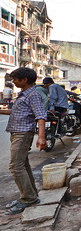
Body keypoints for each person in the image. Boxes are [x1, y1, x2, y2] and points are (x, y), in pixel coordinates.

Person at [0, 67, 47, 215]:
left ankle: (28, 198)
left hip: (23, 133)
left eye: (15, 79)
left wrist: (41, 136)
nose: (13, 82)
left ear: (24, 80)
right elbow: (17, 112)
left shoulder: (33, 94)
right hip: (17, 132)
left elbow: (40, 115)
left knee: (15, 166)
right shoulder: (24, 95)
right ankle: (30, 194)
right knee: (22, 164)